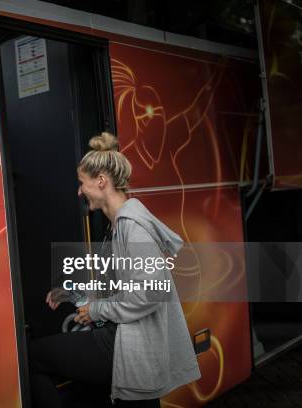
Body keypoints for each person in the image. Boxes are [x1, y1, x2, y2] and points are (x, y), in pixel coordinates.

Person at [30, 132, 201, 407]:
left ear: (101, 182)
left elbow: (150, 293)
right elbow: (115, 285)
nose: (78, 191)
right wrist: (72, 293)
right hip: (121, 336)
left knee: (34, 356)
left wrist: (97, 310)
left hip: (126, 342)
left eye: (81, 183)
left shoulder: (132, 228)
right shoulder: (118, 225)